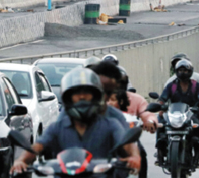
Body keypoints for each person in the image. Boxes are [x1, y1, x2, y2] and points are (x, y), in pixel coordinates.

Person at [10, 68, 140, 175]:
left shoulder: (111, 124)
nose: (82, 96)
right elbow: (38, 146)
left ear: (95, 96)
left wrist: (134, 157)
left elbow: (127, 143)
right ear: (68, 98)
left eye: (87, 92)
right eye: (77, 93)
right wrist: (21, 160)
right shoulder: (57, 127)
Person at [158, 60, 199, 159]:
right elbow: (163, 98)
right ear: (176, 71)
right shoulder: (171, 85)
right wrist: (160, 107)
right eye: (180, 70)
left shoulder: (196, 85)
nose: (183, 73)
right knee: (159, 120)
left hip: (192, 113)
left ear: (190, 71)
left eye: (185, 70)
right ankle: (160, 148)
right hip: (174, 114)